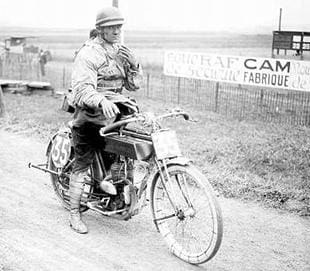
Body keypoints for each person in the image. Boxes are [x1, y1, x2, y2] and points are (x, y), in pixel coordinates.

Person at [68, 6, 142, 234]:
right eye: (111, 27)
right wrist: (101, 101)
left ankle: (116, 194)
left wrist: (134, 65)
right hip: (90, 115)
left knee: (125, 153)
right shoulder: (88, 53)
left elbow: (133, 86)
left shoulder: (120, 50)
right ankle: (74, 213)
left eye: (119, 26)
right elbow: (81, 90)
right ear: (100, 29)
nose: (117, 30)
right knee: (82, 163)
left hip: (117, 113)